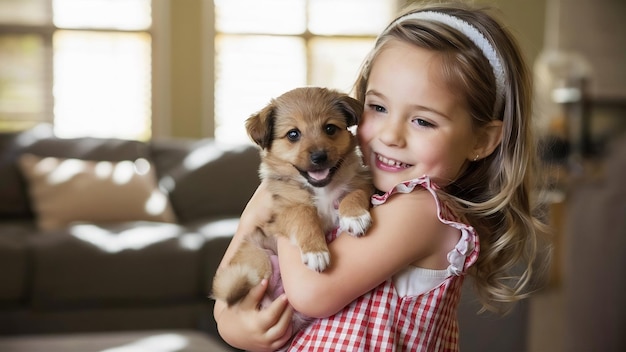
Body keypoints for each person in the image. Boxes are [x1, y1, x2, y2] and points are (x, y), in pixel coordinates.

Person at [213, 1, 551, 351]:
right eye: (378, 107)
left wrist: (285, 204)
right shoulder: (371, 193)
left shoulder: (421, 210)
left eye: (423, 121)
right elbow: (230, 284)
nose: (390, 135)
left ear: (481, 140)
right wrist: (230, 321)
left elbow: (312, 293)